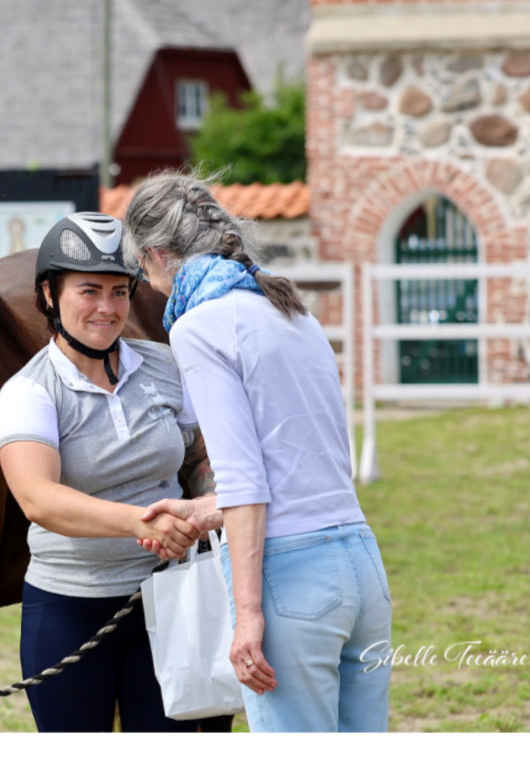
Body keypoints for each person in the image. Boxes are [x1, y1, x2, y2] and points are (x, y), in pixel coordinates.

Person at [123, 173, 391, 732]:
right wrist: (203, 511)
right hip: (361, 564)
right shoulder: (293, 310)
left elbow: (246, 479)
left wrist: (247, 616)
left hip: (289, 577)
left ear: (155, 254)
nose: (147, 284)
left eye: (142, 270)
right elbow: (303, 466)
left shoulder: (198, 326)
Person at [0, 213, 231, 732]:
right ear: (50, 295)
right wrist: (141, 524)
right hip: (69, 613)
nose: (107, 308)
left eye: (120, 292)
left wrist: (209, 507)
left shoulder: (166, 366)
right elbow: (39, 499)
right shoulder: (28, 393)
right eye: (90, 290)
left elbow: (198, 456)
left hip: (171, 600)